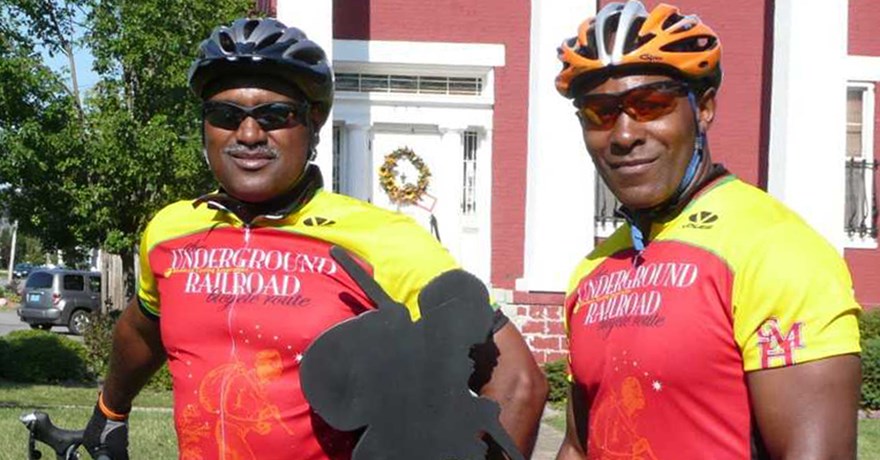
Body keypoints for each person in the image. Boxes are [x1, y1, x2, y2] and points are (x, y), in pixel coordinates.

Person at [82, 17, 547, 460]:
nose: (248, 133)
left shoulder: (384, 239)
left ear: (314, 121)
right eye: (226, 114)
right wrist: (110, 411)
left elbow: (518, 378)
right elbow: (143, 327)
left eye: (275, 115)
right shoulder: (171, 231)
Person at [553, 2, 862, 459]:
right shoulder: (592, 273)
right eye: (600, 114)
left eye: (650, 105)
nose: (622, 134)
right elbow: (580, 447)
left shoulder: (775, 250)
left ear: (705, 109)